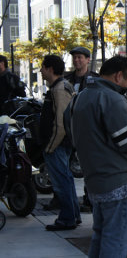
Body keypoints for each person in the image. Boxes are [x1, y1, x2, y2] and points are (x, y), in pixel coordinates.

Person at [66, 55, 127, 257]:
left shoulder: (81, 97)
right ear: (119, 76)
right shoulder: (111, 98)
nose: (126, 88)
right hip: (118, 182)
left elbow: (71, 133)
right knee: (117, 242)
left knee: (101, 237)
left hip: (96, 181)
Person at [39, 54, 81, 231]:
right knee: (66, 180)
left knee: (61, 183)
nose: (40, 70)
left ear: (50, 69)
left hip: (58, 145)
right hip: (60, 144)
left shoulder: (59, 89)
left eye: (42, 67)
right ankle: (73, 215)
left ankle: (67, 219)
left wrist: (50, 146)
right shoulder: (58, 87)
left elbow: (61, 123)